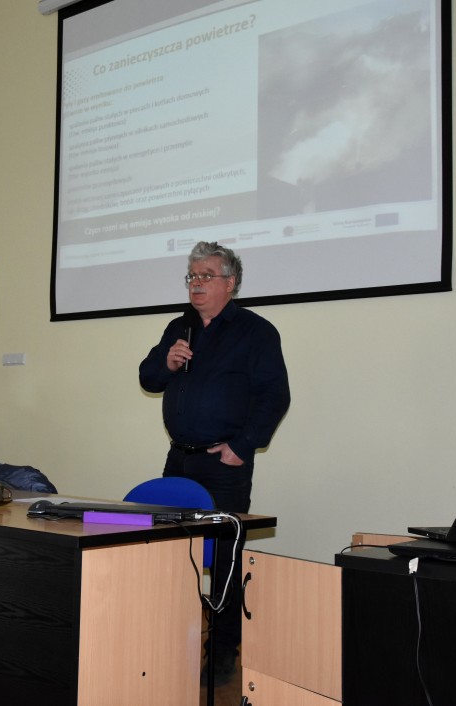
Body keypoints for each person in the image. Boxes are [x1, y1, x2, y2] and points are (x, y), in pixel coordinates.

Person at [139, 241, 290, 684]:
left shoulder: (255, 331)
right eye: (192, 276)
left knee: (224, 560)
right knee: (171, 554)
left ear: (231, 283)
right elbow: (148, 377)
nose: (196, 283)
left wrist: (242, 446)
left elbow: (275, 396)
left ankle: (222, 654)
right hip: (179, 461)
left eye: (206, 275)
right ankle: (172, 644)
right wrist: (167, 364)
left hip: (224, 465)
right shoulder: (179, 327)